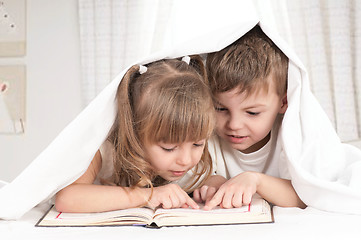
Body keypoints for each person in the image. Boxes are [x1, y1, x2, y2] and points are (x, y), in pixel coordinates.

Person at [55, 56, 216, 213]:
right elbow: (66, 198)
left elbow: (210, 180)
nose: (186, 160)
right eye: (168, 148)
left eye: (197, 144)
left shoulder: (186, 160)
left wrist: (215, 187)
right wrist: (147, 196)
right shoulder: (105, 150)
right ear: (135, 131)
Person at [193, 25, 306, 210]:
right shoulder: (206, 137)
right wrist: (211, 182)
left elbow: (306, 196)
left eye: (252, 113)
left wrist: (256, 181)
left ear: (283, 103)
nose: (234, 125)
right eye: (220, 108)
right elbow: (193, 176)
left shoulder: (291, 137)